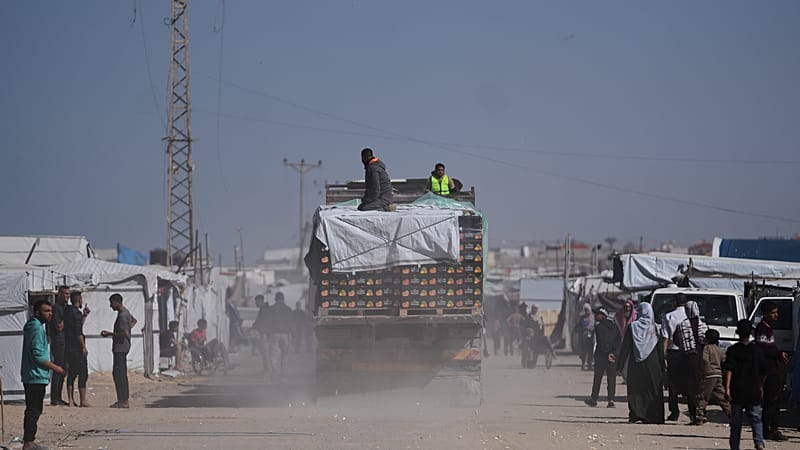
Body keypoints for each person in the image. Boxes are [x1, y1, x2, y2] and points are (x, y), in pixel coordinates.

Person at [22, 299, 66, 450]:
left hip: (33, 375)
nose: (50, 314)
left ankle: (29, 441)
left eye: (51, 311)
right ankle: (28, 443)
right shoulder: (35, 328)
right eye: (46, 311)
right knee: (33, 410)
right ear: (37, 313)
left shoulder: (36, 327)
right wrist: (56, 368)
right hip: (35, 376)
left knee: (34, 409)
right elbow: (37, 356)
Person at [616, 302, 665, 424]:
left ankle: (637, 414)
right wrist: (663, 366)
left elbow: (625, 347)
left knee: (636, 389)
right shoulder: (654, 328)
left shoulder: (632, 327)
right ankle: (655, 416)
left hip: (636, 362)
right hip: (653, 364)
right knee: (653, 389)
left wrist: (620, 365)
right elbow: (659, 349)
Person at [725, 319, 767, 450]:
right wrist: (760, 386)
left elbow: (729, 370)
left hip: (737, 390)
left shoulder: (733, 350)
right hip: (753, 389)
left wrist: (727, 388)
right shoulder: (757, 350)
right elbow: (764, 371)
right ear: (751, 332)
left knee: (736, 422)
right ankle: (759, 442)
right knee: (756, 419)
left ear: (737, 332)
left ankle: (735, 446)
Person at [754, 301, 789, 441]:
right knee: (771, 401)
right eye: (773, 313)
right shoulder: (762, 328)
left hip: (772, 368)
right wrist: (778, 354)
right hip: (767, 369)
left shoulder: (768, 328)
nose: (776, 315)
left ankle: (772, 428)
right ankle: (769, 430)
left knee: (774, 401)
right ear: (766, 314)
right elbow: (763, 346)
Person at [673, 300, 708, 425]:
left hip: (688, 360)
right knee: (701, 387)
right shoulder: (704, 326)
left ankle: (695, 415)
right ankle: (702, 413)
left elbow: (677, 341)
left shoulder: (682, 325)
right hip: (702, 360)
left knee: (690, 389)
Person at [100, 293, 137, 408]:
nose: (111, 306)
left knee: (119, 374)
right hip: (123, 347)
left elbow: (124, 333)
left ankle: (123, 400)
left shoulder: (122, 315)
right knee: (119, 373)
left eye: (112, 303)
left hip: (120, 348)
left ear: (116, 302)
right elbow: (133, 321)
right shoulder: (126, 312)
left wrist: (110, 333)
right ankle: (122, 399)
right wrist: (127, 329)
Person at [585, 307, 621, 408]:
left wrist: (608, 353)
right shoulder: (614, 326)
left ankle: (594, 399)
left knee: (598, 377)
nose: (596, 316)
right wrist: (613, 353)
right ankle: (611, 399)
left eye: (598, 314)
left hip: (602, 356)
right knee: (611, 378)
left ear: (603, 316)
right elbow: (618, 342)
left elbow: (601, 342)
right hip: (612, 356)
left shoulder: (599, 327)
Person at [661, 293, 688, 421]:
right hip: (688, 351)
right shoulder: (690, 315)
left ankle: (674, 411)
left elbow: (665, 337)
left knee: (673, 383)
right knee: (689, 382)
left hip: (673, 352)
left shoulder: (669, 316)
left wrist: (663, 355)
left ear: (674, 303)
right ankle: (694, 412)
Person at [697, 329, 731, 422]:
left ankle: (699, 416)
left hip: (709, 375)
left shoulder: (706, 348)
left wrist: (705, 369)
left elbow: (704, 359)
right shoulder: (719, 349)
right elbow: (724, 360)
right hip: (718, 375)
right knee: (721, 396)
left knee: (703, 396)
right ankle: (730, 413)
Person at [63, 291, 90, 407]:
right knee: (83, 374)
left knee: (72, 373)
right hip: (76, 348)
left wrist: (84, 316)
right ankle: (83, 400)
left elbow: (76, 327)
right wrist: (83, 347)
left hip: (68, 346)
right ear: (79, 300)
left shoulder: (67, 311)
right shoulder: (76, 313)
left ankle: (70, 400)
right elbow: (78, 332)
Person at [47, 285, 69, 406]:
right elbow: (59, 327)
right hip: (59, 342)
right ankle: (55, 398)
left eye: (68, 294)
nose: (67, 297)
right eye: (65, 294)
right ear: (60, 294)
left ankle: (58, 397)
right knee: (58, 368)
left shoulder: (65, 308)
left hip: (66, 342)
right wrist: (67, 316)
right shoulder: (56, 308)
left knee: (64, 369)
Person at [265, 292, 294, 381]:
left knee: (274, 355)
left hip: (274, 334)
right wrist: (294, 335)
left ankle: (275, 374)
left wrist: (267, 334)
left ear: (275, 299)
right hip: (285, 334)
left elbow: (268, 322)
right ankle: (283, 375)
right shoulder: (288, 309)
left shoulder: (271, 309)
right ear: (283, 299)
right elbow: (291, 323)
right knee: (285, 355)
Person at [252, 294, 271, 373]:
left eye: (256, 302)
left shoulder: (265, 310)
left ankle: (267, 369)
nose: (255, 304)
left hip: (265, 334)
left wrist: (255, 326)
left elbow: (262, 322)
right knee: (264, 352)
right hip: (264, 333)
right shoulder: (264, 309)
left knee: (265, 352)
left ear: (260, 301)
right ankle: (267, 368)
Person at [576, 303, 595, 371]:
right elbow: (578, 325)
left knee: (590, 351)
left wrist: (589, 329)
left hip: (591, 337)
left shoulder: (592, 317)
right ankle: (583, 364)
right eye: (585, 310)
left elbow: (593, 326)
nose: (586, 311)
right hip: (583, 338)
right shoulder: (582, 317)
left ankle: (589, 365)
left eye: (587, 310)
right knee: (583, 352)